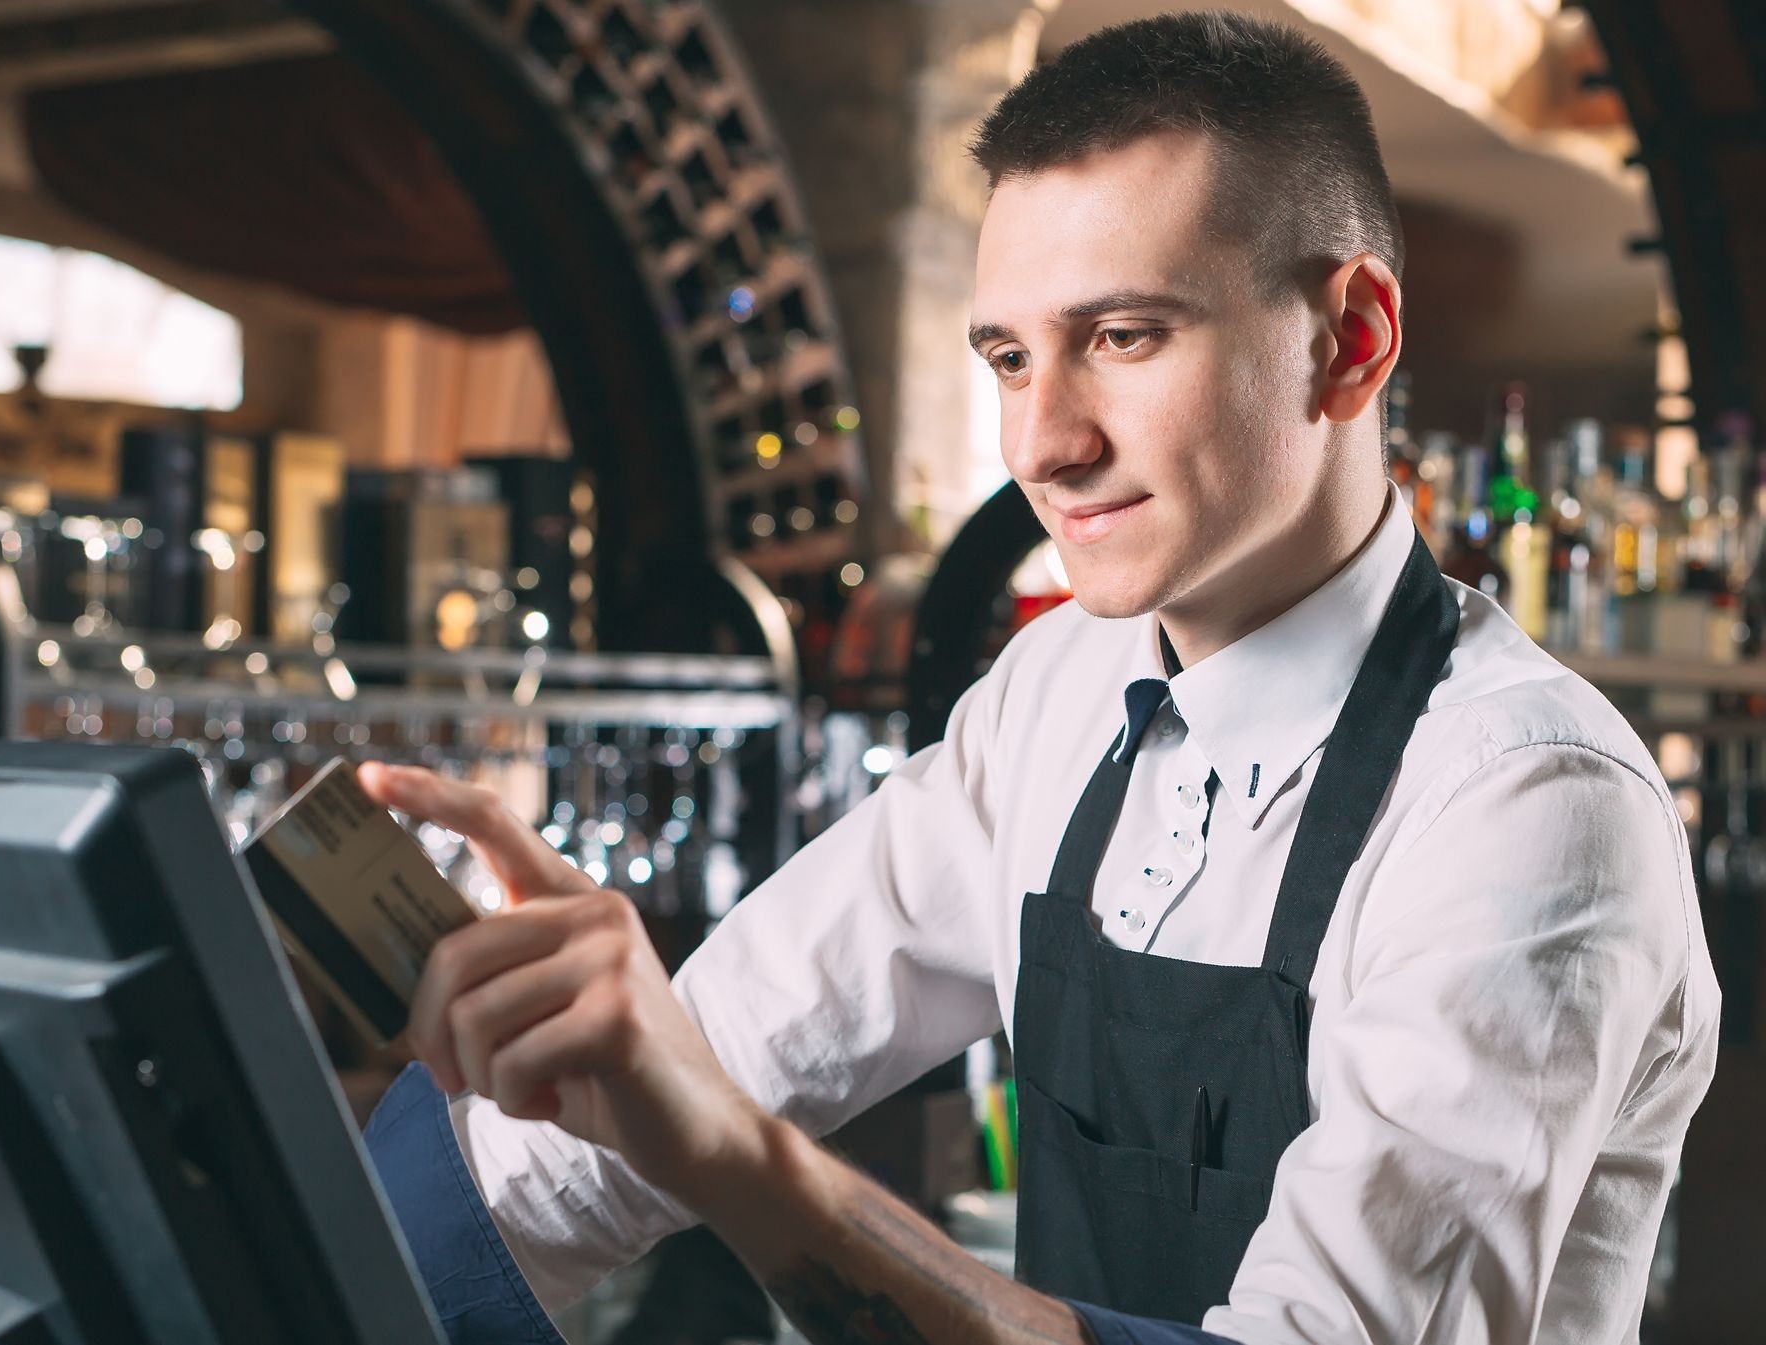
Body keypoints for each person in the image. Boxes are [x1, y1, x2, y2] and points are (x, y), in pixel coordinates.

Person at [357, 12, 1720, 1343]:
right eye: (1010, 357)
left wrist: (734, 1155)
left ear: (1349, 339)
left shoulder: (1528, 804)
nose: (1043, 442)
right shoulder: (1056, 693)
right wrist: (298, 1246)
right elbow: (694, 1063)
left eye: (1123, 336)